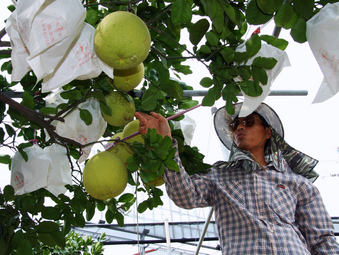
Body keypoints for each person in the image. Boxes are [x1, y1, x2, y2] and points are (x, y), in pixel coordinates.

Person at [135, 102, 339, 254]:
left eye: (249, 122)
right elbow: (184, 196)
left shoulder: (297, 183)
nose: (240, 127)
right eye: (235, 125)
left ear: (268, 132)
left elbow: (321, 240)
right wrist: (165, 143)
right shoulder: (219, 176)